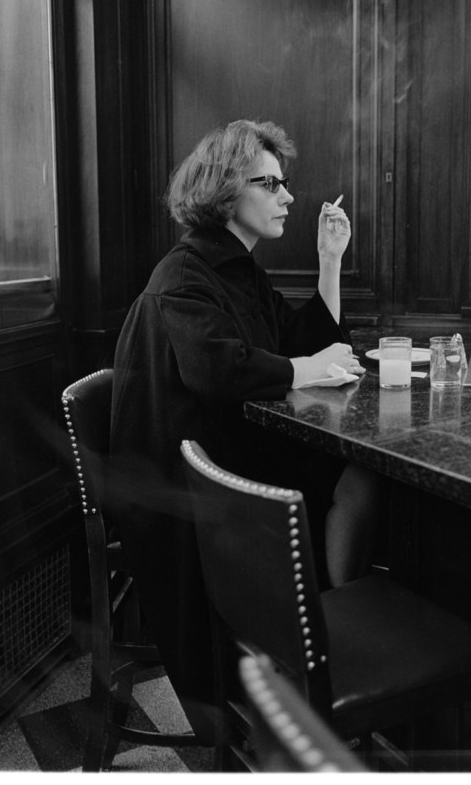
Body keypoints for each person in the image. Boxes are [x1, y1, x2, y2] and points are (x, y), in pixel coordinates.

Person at [108, 119, 382, 742]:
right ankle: (325, 639)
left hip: (228, 457)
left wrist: (329, 264)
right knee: (354, 476)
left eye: (286, 184)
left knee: (359, 475)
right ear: (228, 188)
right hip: (187, 488)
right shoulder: (185, 274)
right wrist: (299, 369)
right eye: (272, 184)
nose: (288, 197)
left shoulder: (238, 268)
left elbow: (297, 343)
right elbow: (214, 369)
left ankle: (331, 626)